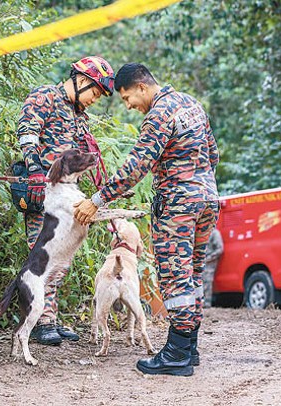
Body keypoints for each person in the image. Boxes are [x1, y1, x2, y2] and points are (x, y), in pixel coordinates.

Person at [74, 63, 219, 376]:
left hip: (178, 205)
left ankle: (177, 355)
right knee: (192, 275)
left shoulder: (159, 113)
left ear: (141, 86)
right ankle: (188, 347)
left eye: (127, 98)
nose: (129, 106)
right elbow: (214, 154)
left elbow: (136, 167)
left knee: (176, 277)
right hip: (207, 199)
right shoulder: (191, 104)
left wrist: (96, 200)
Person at [16, 56, 115, 345]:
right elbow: (27, 135)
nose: (95, 99)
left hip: (68, 198)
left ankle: (50, 319)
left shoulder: (79, 115)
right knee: (44, 259)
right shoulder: (44, 97)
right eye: (95, 92)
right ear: (82, 80)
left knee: (61, 261)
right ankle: (39, 322)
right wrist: (34, 170)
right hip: (44, 195)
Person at [203, 228, 223, 308]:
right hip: (202, 261)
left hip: (210, 261)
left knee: (207, 280)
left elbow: (220, 249)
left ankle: (207, 303)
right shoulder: (203, 232)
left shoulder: (214, 233)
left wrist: (209, 258)